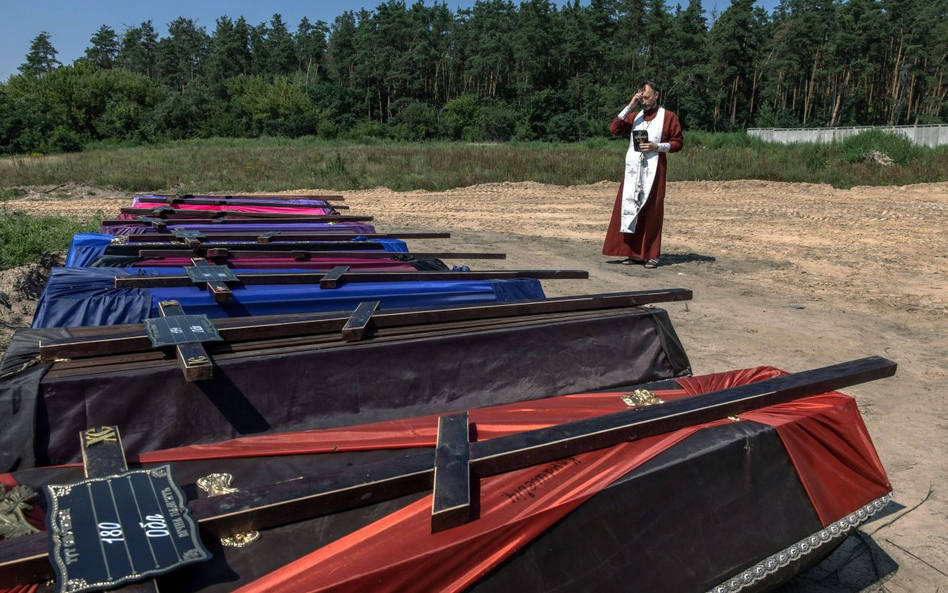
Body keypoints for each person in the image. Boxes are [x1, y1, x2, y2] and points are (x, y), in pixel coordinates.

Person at [602, 81, 684, 268]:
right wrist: (630, 105)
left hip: (655, 169)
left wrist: (658, 146)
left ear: (657, 95)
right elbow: (614, 129)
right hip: (633, 170)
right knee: (630, 208)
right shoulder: (634, 116)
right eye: (641, 98)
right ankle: (632, 253)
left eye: (647, 97)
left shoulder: (669, 117)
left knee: (651, 211)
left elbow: (678, 143)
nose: (644, 101)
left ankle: (651, 254)